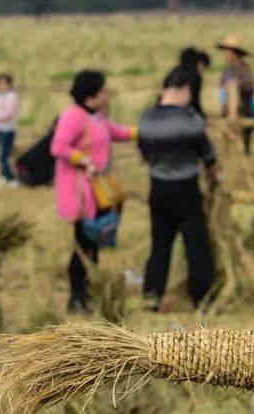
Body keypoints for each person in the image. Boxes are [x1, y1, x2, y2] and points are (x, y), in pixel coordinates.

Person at [51, 69, 136, 314]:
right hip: (80, 194)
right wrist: (82, 159)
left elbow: (117, 132)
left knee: (92, 243)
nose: (107, 94)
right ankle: (77, 297)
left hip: (96, 192)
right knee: (83, 244)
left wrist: (147, 131)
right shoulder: (73, 116)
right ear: (91, 96)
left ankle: (86, 293)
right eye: (103, 90)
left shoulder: (96, 116)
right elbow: (58, 146)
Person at [137, 67, 219, 311]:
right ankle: (202, 298)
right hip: (186, 189)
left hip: (158, 188)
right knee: (196, 246)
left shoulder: (146, 119)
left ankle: (152, 296)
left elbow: (144, 153)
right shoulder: (190, 120)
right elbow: (208, 154)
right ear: (184, 90)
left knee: (160, 246)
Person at [217, 35, 254, 155]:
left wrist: (237, 85)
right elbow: (222, 88)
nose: (224, 54)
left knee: (241, 151)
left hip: (242, 115)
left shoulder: (245, 70)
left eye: (227, 51)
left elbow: (250, 86)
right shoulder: (226, 71)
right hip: (227, 116)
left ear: (234, 53)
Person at [178, 46, 210, 117]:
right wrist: (203, 117)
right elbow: (194, 101)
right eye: (203, 68)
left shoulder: (175, 72)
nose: (202, 72)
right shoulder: (195, 77)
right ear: (200, 63)